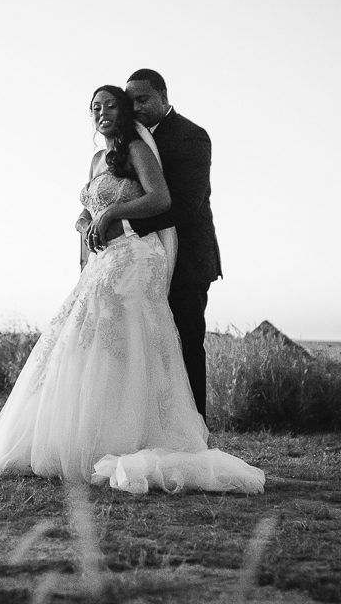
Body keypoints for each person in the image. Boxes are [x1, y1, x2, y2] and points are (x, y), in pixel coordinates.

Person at [0, 86, 263, 494]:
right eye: (95, 108)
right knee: (81, 340)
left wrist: (113, 212)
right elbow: (87, 210)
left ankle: (131, 436)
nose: (102, 113)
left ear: (125, 112)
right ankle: (79, 435)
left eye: (110, 106)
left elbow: (162, 198)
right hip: (104, 257)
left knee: (122, 339)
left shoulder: (139, 150)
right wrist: (85, 223)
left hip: (136, 255)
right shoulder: (95, 159)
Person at [123, 69, 220, 421]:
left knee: (186, 345)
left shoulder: (191, 137)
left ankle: (196, 430)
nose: (135, 107)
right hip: (141, 262)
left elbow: (184, 203)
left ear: (163, 95)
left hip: (188, 262)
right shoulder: (130, 141)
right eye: (129, 101)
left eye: (143, 99)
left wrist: (124, 225)